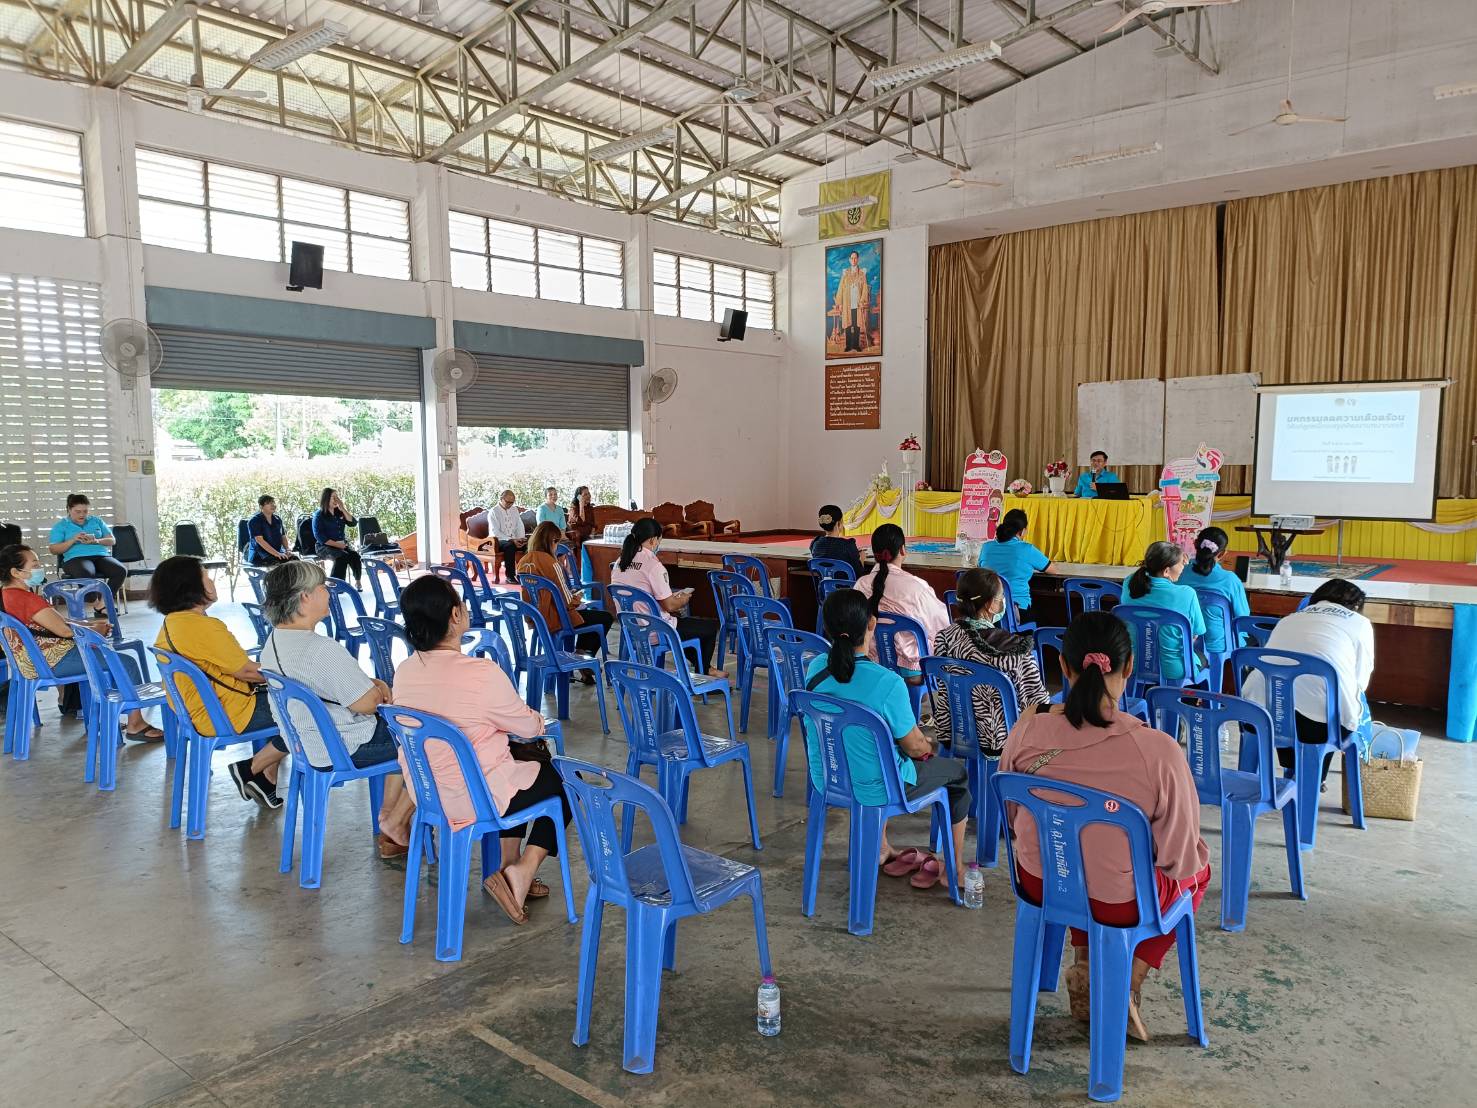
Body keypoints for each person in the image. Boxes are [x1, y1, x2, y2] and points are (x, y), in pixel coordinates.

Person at [999, 610, 1211, 1040]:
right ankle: (1124, 984)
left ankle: (1084, 963)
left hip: (1039, 882)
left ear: (1062, 665)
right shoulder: (1157, 751)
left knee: (1075, 859)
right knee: (1197, 872)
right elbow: (1177, 858)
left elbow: (1012, 813)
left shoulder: (1026, 729)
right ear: (1129, 667)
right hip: (1119, 903)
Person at [393, 574, 571, 925]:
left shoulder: (405, 670)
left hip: (428, 795)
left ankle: (505, 867)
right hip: (476, 796)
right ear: (455, 616)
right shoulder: (481, 673)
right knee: (564, 784)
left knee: (513, 765)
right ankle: (520, 871)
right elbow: (529, 726)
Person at [805, 587, 970, 891]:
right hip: (878, 788)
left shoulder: (814, 669)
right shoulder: (887, 683)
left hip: (828, 778)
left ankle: (881, 848)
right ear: (871, 624)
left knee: (869, 753)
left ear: (826, 627)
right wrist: (927, 748)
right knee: (956, 776)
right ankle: (955, 869)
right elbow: (915, 746)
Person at [258, 560, 414, 857]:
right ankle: (393, 819)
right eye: (323, 588)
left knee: (400, 733)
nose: (329, 594)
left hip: (305, 744)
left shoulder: (275, 641)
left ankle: (390, 817)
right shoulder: (319, 648)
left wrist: (370, 685)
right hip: (343, 746)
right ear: (305, 597)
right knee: (421, 739)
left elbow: (332, 684)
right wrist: (379, 686)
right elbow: (368, 705)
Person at [150, 555, 285, 809]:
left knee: (292, 703)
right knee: (309, 709)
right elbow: (248, 672)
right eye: (205, 576)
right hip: (228, 713)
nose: (211, 580)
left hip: (199, 712)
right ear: (190, 586)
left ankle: (266, 778)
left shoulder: (175, 622)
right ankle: (252, 768)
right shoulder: (202, 627)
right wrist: (297, 676)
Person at [0, 544, 160, 739]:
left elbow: (53, 621)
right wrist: (96, 630)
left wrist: (89, 626)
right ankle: (136, 723)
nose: (39, 568)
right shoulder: (27, 599)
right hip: (51, 661)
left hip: (28, 661)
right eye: (34, 564)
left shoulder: (6, 595)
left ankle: (106, 716)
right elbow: (64, 631)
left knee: (102, 656)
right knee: (125, 663)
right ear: (16, 572)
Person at [1241, 578, 1374, 786]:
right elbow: (1360, 682)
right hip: (1317, 728)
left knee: (1285, 699)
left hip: (1259, 717)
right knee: (1332, 703)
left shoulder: (1289, 619)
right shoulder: (1360, 623)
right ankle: (1312, 778)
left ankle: (1295, 770)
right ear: (1356, 607)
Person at [932, 568, 1049, 756]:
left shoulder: (945, 637)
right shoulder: (1015, 650)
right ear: (989, 605)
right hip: (999, 740)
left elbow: (942, 683)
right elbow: (1037, 700)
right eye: (1001, 597)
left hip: (955, 730)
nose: (1003, 601)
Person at [609, 517, 724, 678]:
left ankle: (706, 668)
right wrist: (683, 599)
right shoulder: (653, 565)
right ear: (653, 540)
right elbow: (670, 605)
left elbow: (644, 595)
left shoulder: (620, 563)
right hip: (657, 631)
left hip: (632, 630)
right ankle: (704, 676)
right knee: (709, 629)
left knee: (690, 629)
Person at [516, 521, 614, 681]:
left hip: (536, 617)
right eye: (557, 542)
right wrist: (578, 596)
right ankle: (581, 658)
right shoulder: (551, 563)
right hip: (556, 618)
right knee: (604, 617)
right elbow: (567, 602)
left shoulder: (523, 561)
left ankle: (581, 656)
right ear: (552, 542)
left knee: (588, 615)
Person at [854, 524, 949, 682]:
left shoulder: (860, 585)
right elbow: (944, 626)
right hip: (910, 671)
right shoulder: (917, 587)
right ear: (903, 550)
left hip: (870, 663)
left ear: (874, 554)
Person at [1117, 540, 1207, 685]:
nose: (1183, 567)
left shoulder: (1129, 583)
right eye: (1180, 564)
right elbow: (1197, 632)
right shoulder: (1187, 594)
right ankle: (1183, 703)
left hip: (1133, 664)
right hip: (1173, 669)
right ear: (1166, 571)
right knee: (1201, 657)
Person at [1181, 526, 1249, 660]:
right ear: (1223, 554)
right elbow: (1242, 618)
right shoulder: (1231, 580)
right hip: (1220, 644)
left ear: (1195, 545)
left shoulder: (1179, 574)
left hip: (1184, 641)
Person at [48, 494, 126, 606]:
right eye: (78, 511)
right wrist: (73, 540)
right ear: (69, 509)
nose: (82, 514)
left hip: (100, 555)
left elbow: (112, 540)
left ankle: (103, 604)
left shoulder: (96, 521)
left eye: (85, 511)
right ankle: (94, 601)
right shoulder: (61, 526)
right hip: (75, 559)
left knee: (120, 570)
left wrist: (96, 541)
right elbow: (53, 549)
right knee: (86, 572)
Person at [978, 509, 1050, 615]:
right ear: (1023, 531)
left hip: (988, 612)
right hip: (1017, 611)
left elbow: (980, 569)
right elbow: (1053, 570)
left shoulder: (986, 547)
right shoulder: (1027, 549)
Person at [312, 488, 362, 585]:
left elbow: (353, 523)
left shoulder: (339, 512)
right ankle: (335, 584)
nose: (336, 500)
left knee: (354, 555)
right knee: (342, 556)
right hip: (324, 547)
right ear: (326, 499)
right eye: (333, 497)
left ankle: (357, 581)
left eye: (337, 497)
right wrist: (339, 545)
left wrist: (343, 508)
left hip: (341, 545)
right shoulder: (319, 515)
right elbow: (320, 537)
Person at [809, 504, 865, 580]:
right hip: (847, 590)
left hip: (825, 589)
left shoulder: (815, 543)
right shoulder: (848, 545)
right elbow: (859, 574)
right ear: (839, 523)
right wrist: (861, 559)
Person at [833, 248, 873, 353]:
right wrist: (839, 302)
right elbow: (840, 287)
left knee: (856, 325)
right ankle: (848, 345)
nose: (854, 260)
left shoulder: (862, 274)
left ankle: (856, 345)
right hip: (848, 304)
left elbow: (864, 288)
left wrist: (862, 300)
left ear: (858, 259)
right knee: (848, 325)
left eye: (855, 258)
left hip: (857, 303)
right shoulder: (845, 273)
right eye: (852, 258)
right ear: (849, 260)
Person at [487, 489, 527, 584]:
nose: (510, 504)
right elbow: (495, 532)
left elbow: (519, 525)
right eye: (508, 502)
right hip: (498, 540)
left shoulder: (514, 509)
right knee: (510, 546)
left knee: (529, 545)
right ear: (501, 499)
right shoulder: (494, 511)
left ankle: (524, 572)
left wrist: (521, 539)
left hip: (514, 539)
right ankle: (510, 576)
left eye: (512, 502)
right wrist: (512, 540)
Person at [245, 495, 295, 566]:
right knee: (277, 565)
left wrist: (287, 549)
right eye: (268, 503)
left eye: (273, 502)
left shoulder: (277, 519)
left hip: (278, 553)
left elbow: (283, 536)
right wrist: (277, 554)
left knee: (295, 560)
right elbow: (260, 541)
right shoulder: (254, 521)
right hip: (260, 556)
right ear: (261, 507)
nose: (273, 505)